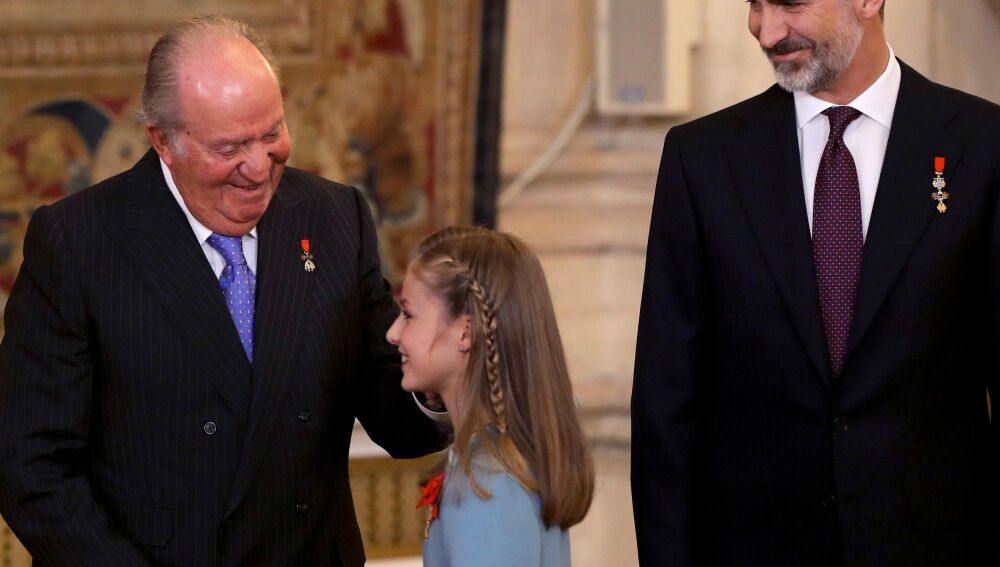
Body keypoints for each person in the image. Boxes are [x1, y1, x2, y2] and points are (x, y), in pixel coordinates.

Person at [0, 14, 444, 566]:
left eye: (272, 133)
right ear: (163, 141)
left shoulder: (334, 217)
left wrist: (444, 380)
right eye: (230, 146)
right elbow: (30, 465)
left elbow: (397, 414)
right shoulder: (79, 241)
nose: (259, 167)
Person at [631, 1, 999, 565]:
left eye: (790, 3)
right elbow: (665, 404)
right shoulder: (703, 158)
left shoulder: (983, 146)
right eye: (754, 4)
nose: (765, 29)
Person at [386, 227, 594, 567]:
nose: (393, 333)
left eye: (408, 314)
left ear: (465, 331)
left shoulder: (487, 484)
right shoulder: (496, 463)